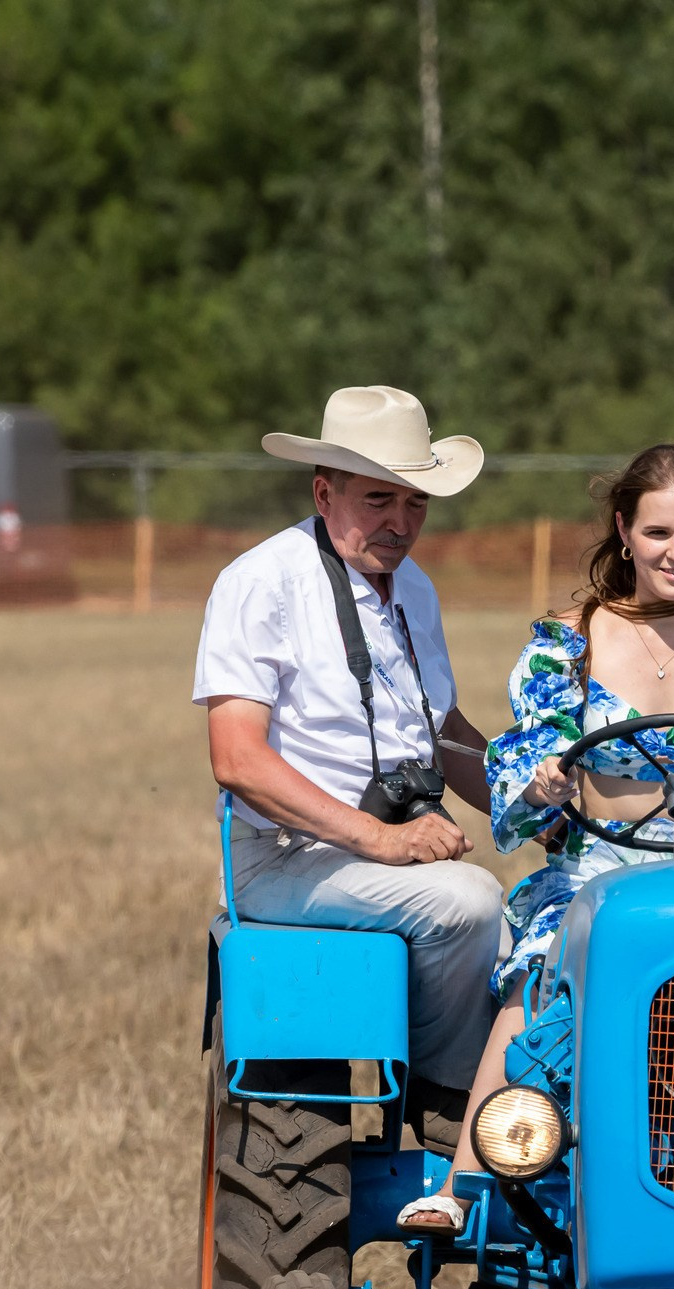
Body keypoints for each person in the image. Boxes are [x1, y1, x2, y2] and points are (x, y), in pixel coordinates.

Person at [396, 442, 674, 1233]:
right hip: (598, 871)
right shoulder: (568, 643)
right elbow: (527, 755)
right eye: (660, 532)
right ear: (625, 531)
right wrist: (542, 780)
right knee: (540, 973)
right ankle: (462, 1184)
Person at [192, 385, 505, 1150]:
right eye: (379, 500)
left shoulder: (416, 590)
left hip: (385, 854)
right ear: (324, 491)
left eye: (416, 503)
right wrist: (381, 839)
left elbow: (445, 734)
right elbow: (236, 759)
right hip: (284, 859)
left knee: (553, 928)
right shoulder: (260, 581)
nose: (401, 523)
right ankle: (452, 1106)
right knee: (469, 901)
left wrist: (544, 799)